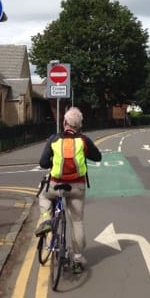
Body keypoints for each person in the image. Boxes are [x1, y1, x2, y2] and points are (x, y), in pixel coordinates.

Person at [35, 106, 102, 273]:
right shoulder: (84, 140)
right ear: (79, 125)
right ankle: (78, 259)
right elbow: (98, 157)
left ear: (65, 122)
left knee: (43, 195)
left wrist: (55, 162)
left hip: (55, 185)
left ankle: (46, 219)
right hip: (77, 186)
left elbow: (43, 163)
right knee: (77, 222)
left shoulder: (54, 139)